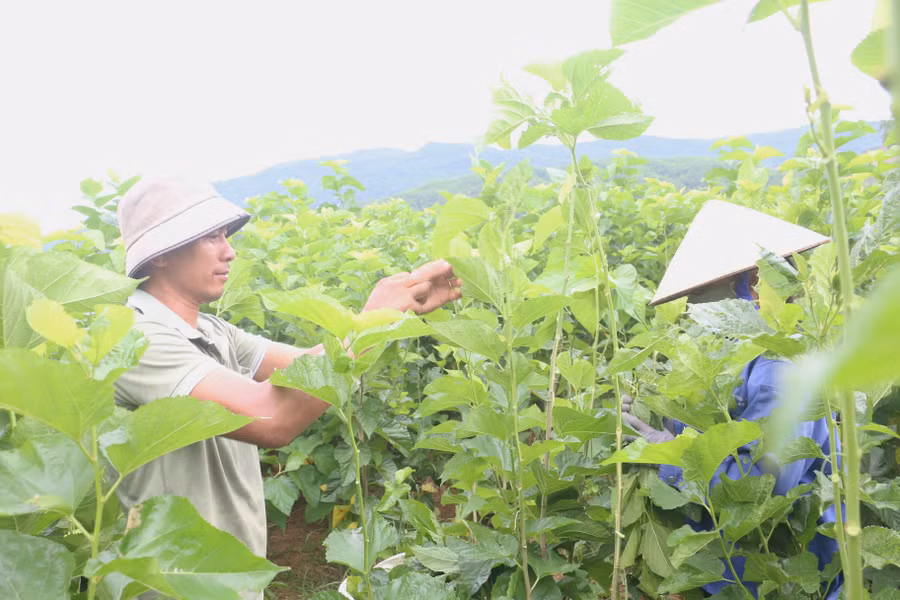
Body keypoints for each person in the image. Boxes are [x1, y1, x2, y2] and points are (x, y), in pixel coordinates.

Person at [112, 178, 461, 594]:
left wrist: (393, 313)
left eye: (225, 235)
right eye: (211, 237)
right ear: (161, 253)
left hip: (228, 579)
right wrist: (372, 319)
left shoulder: (213, 330)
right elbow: (271, 417)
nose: (229, 251)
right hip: (175, 585)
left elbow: (307, 367)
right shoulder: (134, 339)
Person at [620, 200, 842, 599]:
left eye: (700, 291)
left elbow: (761, 489)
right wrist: (658, 416)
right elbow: (710, 432)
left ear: (750, 285)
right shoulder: (735, 354)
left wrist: (670, 454)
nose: (692, 306)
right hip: (731, 573)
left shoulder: (780, 368)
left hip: (779, 577)